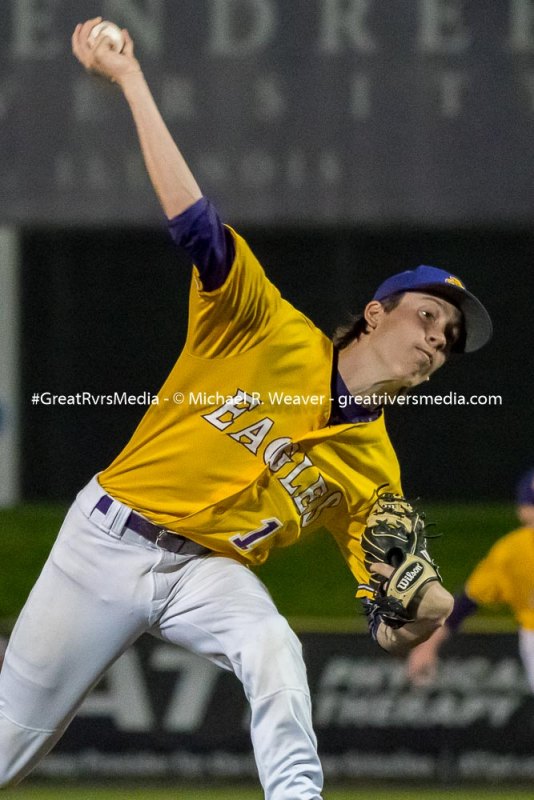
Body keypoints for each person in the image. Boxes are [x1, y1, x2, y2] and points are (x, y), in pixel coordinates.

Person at [0, 18, 492, 797]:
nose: (438, 337)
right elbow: (194, 223)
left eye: (450, 339)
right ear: (374, 315)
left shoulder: (375, 473)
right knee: (11, 744)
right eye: (427, 315)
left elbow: (387, 627)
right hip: (105, 545)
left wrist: (422, 612)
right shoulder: (266, 325)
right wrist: (130, 80)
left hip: (207, 575)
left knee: (273, 646)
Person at [407, 468, 534, 691]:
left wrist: (428, 646)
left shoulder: (511, 551)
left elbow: (466, 602)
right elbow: (468, 600)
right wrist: (428, 646)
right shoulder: (511, 553)